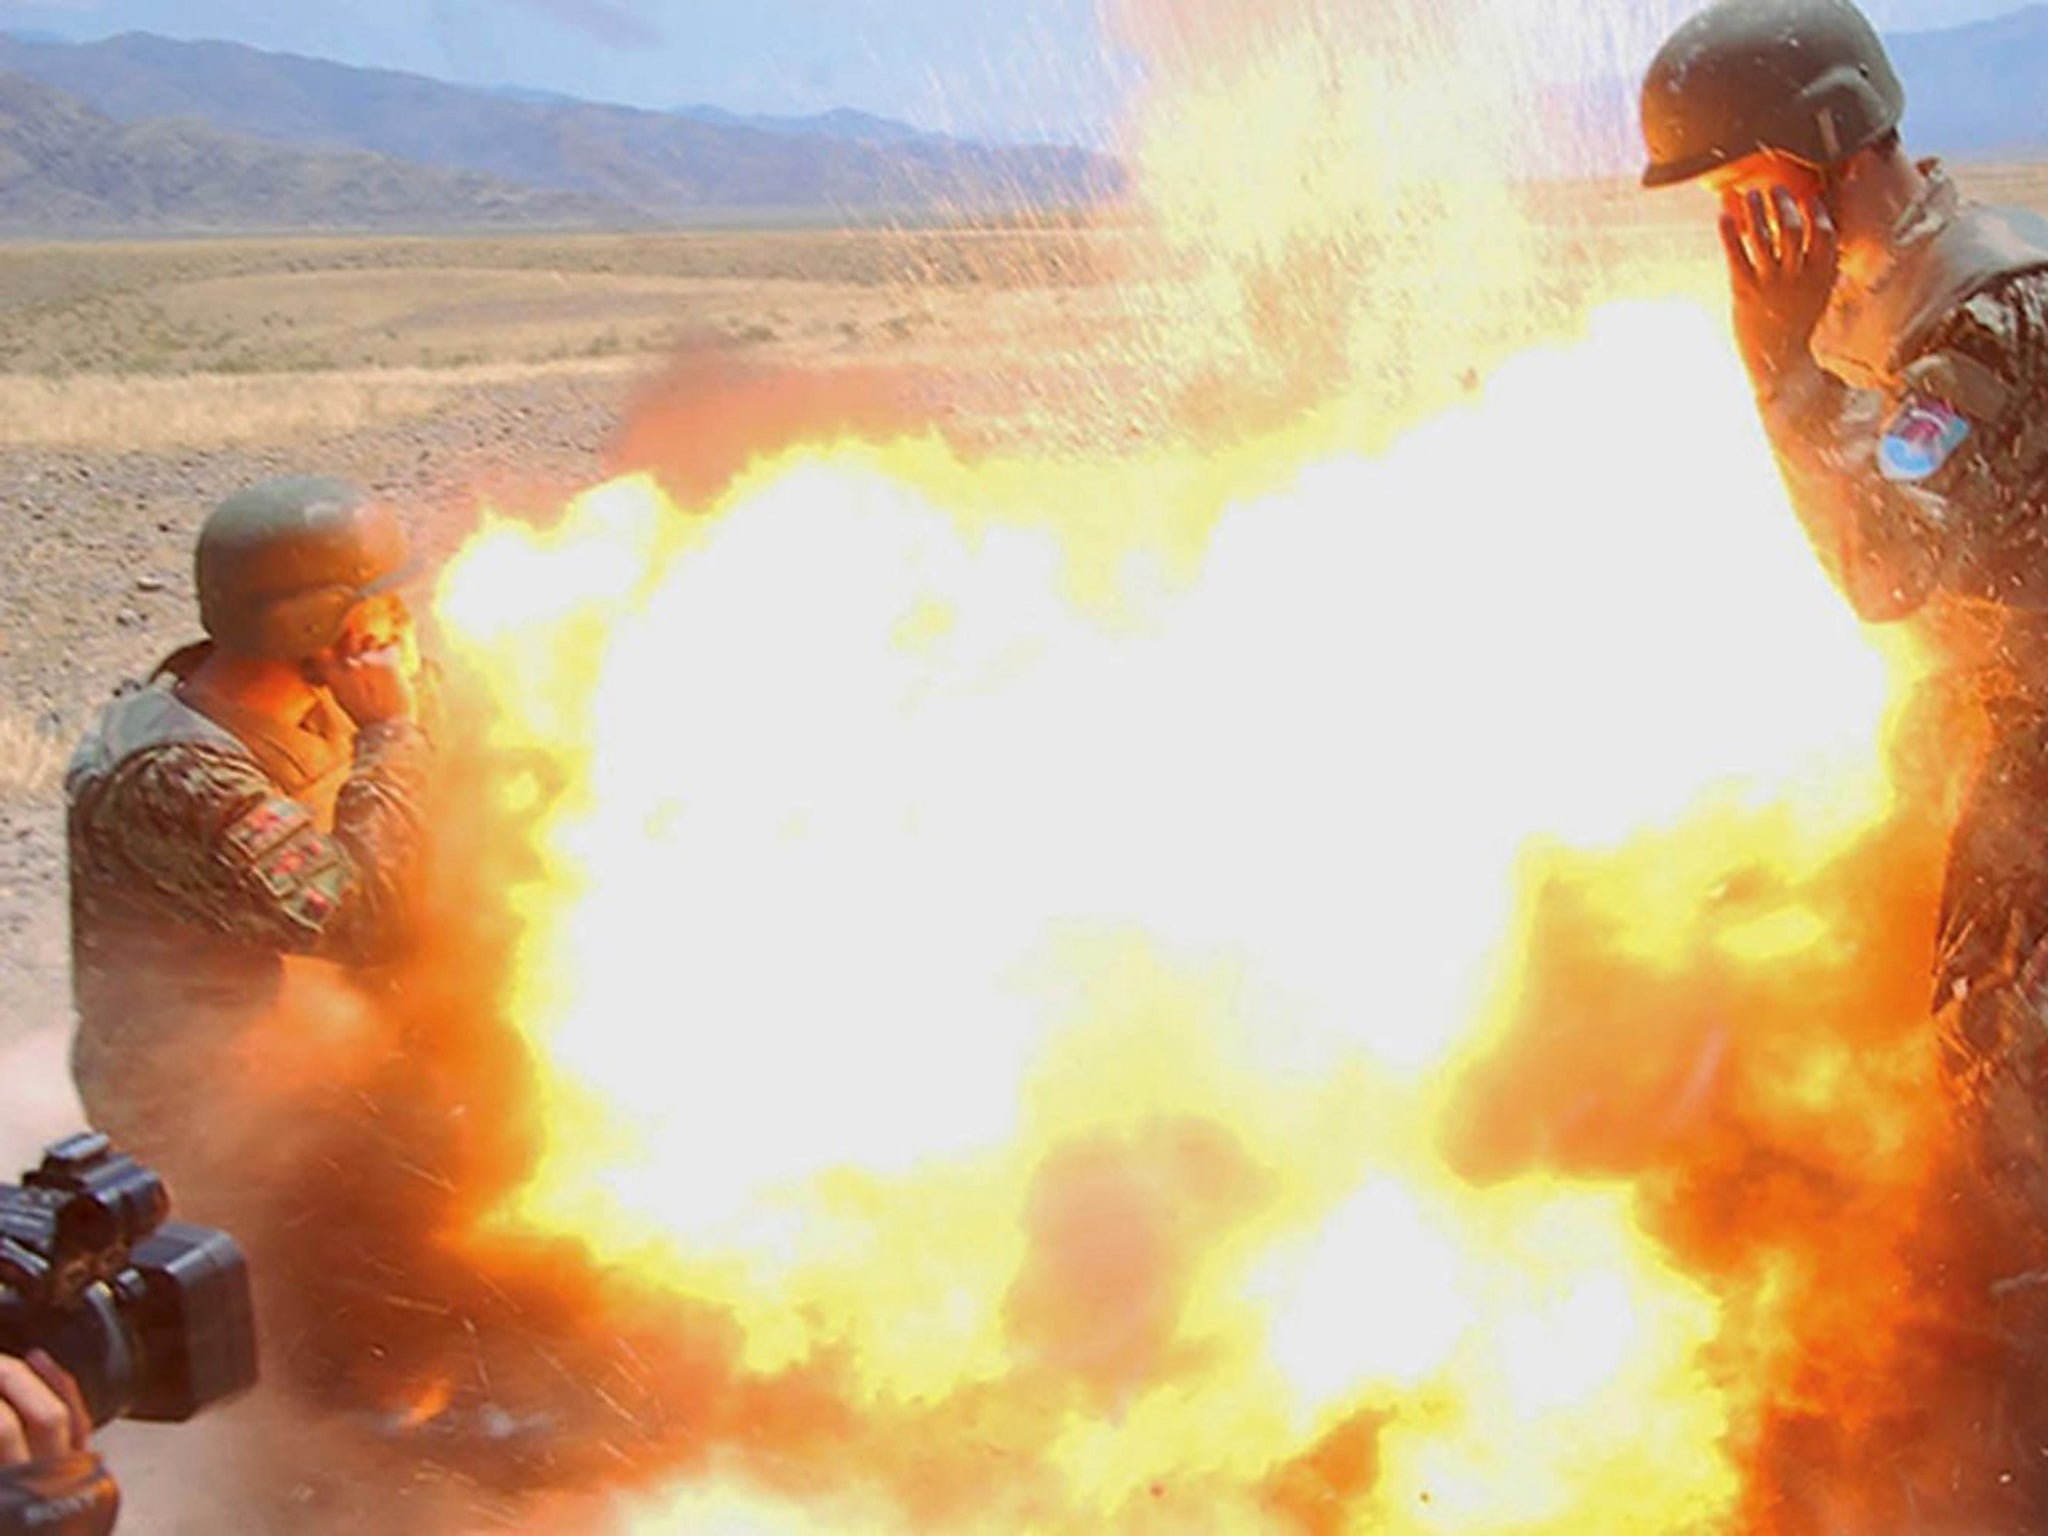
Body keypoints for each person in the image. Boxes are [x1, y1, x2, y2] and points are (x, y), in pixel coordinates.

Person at [1640, 0, 2048, 1508]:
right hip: (2005, 760)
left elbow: (1889, 567)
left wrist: (1779, 373)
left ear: (1820, 151)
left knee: (2014, 1152)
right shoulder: (1912, 306)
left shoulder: (1981, 322)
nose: (1740, 231)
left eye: (1745, 189)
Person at [65, 475, 434, 1185]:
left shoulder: (300, 704)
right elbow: (366, 921)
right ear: (323, 630)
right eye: (383, 604)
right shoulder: (177, 781)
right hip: (203, 1129)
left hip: (296, 1059)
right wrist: (392, 732)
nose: (400, 621)